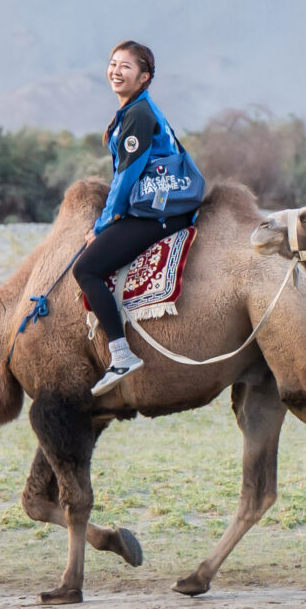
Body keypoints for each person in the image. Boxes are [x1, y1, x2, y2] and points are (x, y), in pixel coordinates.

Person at [76, 40, 209, 397]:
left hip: (157, 213)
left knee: (86, 270)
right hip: (156, 207)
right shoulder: (136, 109)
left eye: (127, 67)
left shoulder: (138, 115)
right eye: (113, 64)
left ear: (144, 77)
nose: (116, 71)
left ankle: (120, 354)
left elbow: (126, 177)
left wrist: (102, 225)